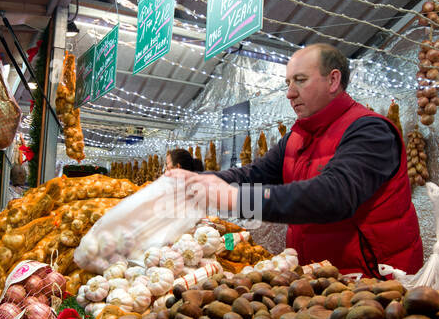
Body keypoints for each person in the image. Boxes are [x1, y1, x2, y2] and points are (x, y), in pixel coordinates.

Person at [172, 43, 423, 275]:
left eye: (300, 81)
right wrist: (196, 180)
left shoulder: (371, 131)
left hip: (375, 282)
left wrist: (237, 198)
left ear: (333, 80)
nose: (290, 94)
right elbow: (253, 174)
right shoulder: (297, 136)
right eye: (288, 83)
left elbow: (332, 197)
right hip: (322, 278)